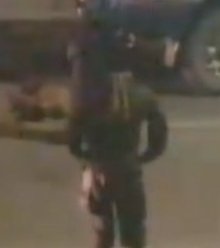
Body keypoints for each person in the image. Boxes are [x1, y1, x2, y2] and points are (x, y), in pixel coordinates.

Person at [67, 23, 168, 248]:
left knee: (102, 228)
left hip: (99, 169)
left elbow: (73, 141)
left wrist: (88, 158)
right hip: (129, 169)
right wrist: (142, 157)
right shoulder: (142, 95)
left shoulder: (86, 95)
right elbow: (158, 141)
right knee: (134, 229)